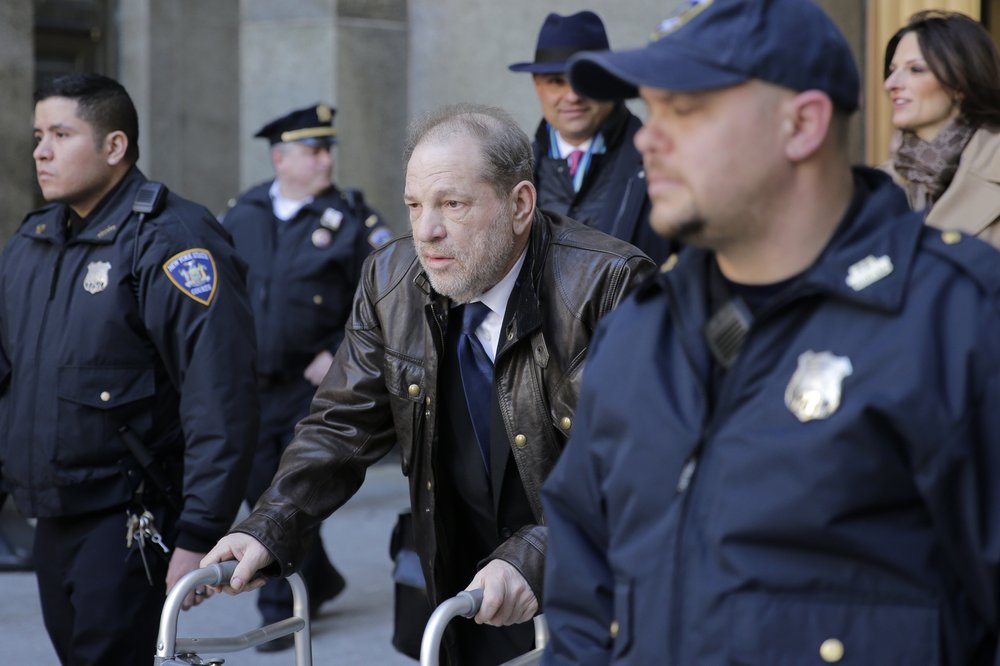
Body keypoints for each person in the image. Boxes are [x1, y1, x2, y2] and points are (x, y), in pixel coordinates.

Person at [541, 0, 1000, 663]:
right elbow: (583, 619)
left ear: (802, 124)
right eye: (651, 106)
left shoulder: (960, 323)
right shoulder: (639, 338)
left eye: (685, 109)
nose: (647, 137)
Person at [203, 103, 654, 665]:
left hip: (583, 575)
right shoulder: (391, 278)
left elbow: (630, 463)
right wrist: (270, 524)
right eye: (414, 205)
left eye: (452, 204)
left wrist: (539, 555)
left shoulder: (607, 283)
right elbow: (340, 425)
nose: (426, 231)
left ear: (520, 204)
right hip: (455, 569)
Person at [0, 73, 258, 665]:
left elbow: (219, 396)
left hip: (130, 520)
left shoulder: (173, 241)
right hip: (53, 515)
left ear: (114, 147)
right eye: (38, 134)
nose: (40, 150)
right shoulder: (32, 243)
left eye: (61, 134)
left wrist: (199, 532)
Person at [220, 103, 391, 652]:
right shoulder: (242, 214)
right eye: (312, 151)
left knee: (291, 485)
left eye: (327, 150)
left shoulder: (351, 221)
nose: (325, 161)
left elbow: (390, 299)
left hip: (312, 388)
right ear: (280, 158)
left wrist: (342, 354)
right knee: (254, 487)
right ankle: (319, 578)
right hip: (251, 383)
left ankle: (277, 607)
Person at [509, 10, 673, 264]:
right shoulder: (515, 174)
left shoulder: (663, 162)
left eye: (583, 80)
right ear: (537, 85)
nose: (573, 96)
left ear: (607, 79)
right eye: (556, 81)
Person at [881, 10, 1000, 250]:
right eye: (892, 70)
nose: (891, 84)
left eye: (915, 70)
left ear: (960, 84)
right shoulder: (877, 188)